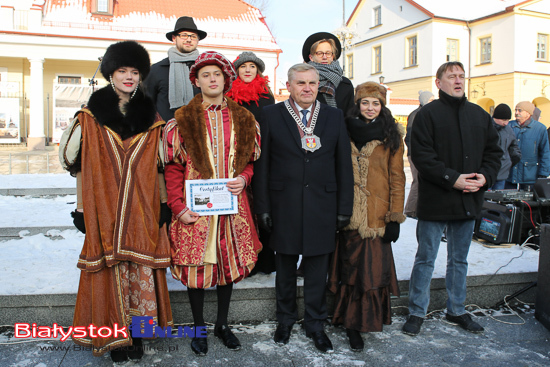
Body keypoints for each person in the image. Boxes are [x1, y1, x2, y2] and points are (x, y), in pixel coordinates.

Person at [59, 40, 173, 363]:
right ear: (111, 73)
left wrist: (163, 203)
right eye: (122, 70)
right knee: (110, 272)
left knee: (139, 271)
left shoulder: (152, 119)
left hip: (142, 209)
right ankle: (114, 339)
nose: (128, 77)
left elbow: (160, 166)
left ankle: (136, 335)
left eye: (134, 71)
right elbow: (78, 166)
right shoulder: (89, 117)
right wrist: (81, 209)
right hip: (104, 209)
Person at [163, 51, 262, 356]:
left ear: (226, 79)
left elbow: (248, 162)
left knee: (226, 265)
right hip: (196, 209)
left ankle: (222, 324)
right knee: (196, 266)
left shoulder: (244, 118)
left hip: (232, 205)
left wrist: (244, 179)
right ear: (196, 80)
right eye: (205, 75)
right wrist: (179, 208)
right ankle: (197, 327)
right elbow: (174, 168)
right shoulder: (181, 120)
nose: (212, 79)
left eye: (217, 74)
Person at [253, 63, 354, 353]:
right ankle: (284, 320)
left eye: (312, 83)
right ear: (289, 86)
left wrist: (343, 206)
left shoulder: (333, 116)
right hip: (283, 204)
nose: (307, 88)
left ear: (318, 85)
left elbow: (343, 165)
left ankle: (315, 324)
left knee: (316, 269)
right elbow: (263, 164)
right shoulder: (271, 114)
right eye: (301, 83)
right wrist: (263, 207)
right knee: (284, 268)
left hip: (323, 204)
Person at [402, 61, 501, 336]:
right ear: (439, 82)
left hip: (468, 198)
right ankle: (416, 311)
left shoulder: (479, 115)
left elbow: (494, 153)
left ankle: (457, 310)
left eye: (461, 76)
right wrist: (451, 178)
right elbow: (421, 155)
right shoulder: (427, 115)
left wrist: (485, 177)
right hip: (436, 198)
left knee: (460, 259)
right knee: (426, 257)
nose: (458, 81)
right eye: (451, 76)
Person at [328, 82, 405, 352]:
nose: (370, 108)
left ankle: (365, 321)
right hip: (348, 213)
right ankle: (348, 321)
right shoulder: (343, 128)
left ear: (382, 106)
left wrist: (395, 216)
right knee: (350, 272)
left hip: (377, 216)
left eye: (376, 103)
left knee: (370, 274)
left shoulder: (392, 134)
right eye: (365, 103)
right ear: (357, 104)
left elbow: (397, 178)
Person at [226, 51, 276, 275]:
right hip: (236, 157)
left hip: (263, 156)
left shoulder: (266, 95)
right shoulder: (228, 94)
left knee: (262, 206)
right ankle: (245, 259)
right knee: (242, 208)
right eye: (243, 66)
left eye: (252, 67)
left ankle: (265, 259)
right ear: (236, 70)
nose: (248, 70)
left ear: (258, 71)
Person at [145, 16, 206, 121]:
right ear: (174, 38)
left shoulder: (204, 69)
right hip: (165, 133)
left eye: (193, 36)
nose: (189, 39)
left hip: (199, 132)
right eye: (184, 35)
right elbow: (146, 105)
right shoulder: (156, 70)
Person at [302, 32, 354, 114]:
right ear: (311, 57)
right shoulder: (303, 82)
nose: (325, 57)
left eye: (328, 53)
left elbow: (350, 116)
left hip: (339, 126)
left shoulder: (345, 84)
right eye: (319, 53)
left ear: (333, 56)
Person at [506, 101, 550, 190]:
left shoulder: (540, 129)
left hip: (530, 175)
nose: (516, 113)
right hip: (509, 174)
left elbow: (545, 152)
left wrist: (544, 173)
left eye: (520, 110)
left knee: (527, 202)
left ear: (528, 113)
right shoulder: (509, 126)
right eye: (516, 110)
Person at [404, 90, 434, 218]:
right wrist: (416, 152)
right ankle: (411, 210)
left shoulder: (424, 113)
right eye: (431, 100)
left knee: (420, 180)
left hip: (419, 152)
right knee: (417, 181)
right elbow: (409, 137)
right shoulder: (417, 114)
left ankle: (414, 209)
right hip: (416, 153)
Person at [490, 104, 521, 190]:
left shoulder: (508, 129)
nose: (506, 123)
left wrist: (513, 160)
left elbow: (513, 146)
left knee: (498, 201)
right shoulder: (487, 127)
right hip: (487, 172)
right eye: (504, 120)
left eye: (507, 120)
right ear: (496, 118)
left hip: (503, 172)